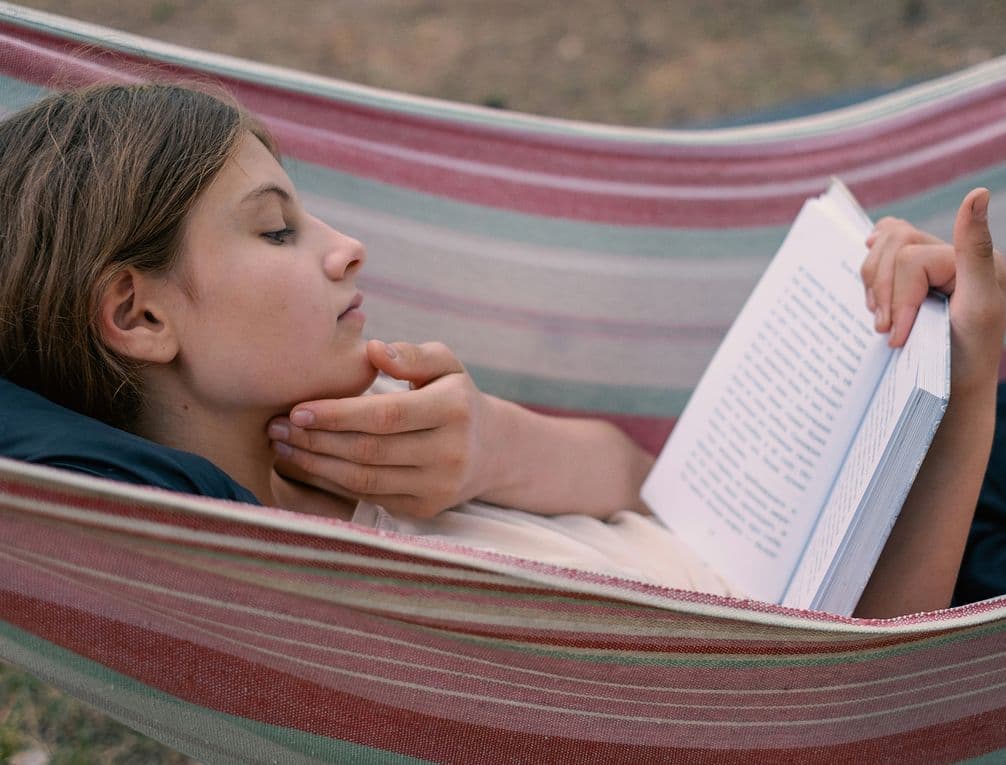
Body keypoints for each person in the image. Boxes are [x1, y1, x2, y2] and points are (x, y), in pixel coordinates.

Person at [0, 83, 1001, 618]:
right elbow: (856, 685)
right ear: (136, 316)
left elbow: (642, 489)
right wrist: (965, 381)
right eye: (276, 231)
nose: (347, 247)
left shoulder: (378, 436)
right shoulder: (321, 600)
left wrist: (494, 448)